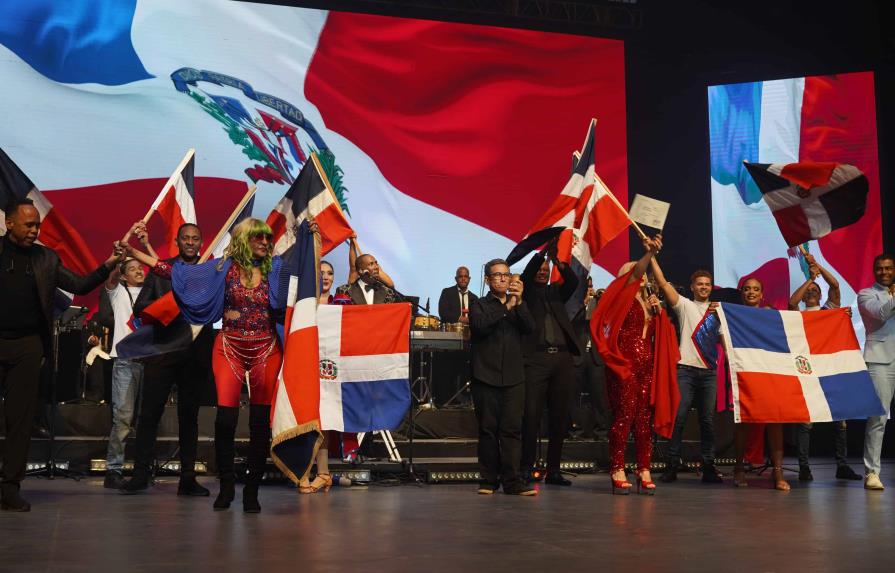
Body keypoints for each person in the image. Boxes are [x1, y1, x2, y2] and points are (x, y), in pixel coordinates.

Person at [124, 218, 290, 512]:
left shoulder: (276, 269)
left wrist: (312, 240)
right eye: (258, 238)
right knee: (225, 421)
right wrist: (137, 254)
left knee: (259, 424)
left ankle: (252, 491)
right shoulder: (222, 269)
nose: (265, 242)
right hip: (229, 349)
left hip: (266, 350)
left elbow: (304, 277)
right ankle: (226, 486)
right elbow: (177, 273)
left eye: (267, 238)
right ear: (243, 240)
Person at [0, 198, 123, 511]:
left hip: (28, 346)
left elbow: (80, 285)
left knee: (20, 420)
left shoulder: (46, 258)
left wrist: (108, 264)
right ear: (9, 224)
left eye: (37, 225)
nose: (33, 230)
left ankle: (10, 488)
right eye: (28, 224)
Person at [118, 222, 213, 497]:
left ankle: (187, 478)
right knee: (149, 415)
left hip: (195, 354)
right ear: (177, 241)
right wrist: (168, 306)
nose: (191, 243)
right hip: (162, 351)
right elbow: (140, 307)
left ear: (202, 242)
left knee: (189, 416)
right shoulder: (161, 271)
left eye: (196, 238)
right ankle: (139, 475)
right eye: (186, 238)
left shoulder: (208, 272)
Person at [593, 235, 664, 495]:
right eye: (635, 273)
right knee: (623, 417)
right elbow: (633, 275)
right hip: (624, 365)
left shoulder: (648, 302)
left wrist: (659, 313)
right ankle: (617, 468)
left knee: (645, 419)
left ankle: (644, 467)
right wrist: (648, 255)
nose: (641, 277)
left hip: (647, 367)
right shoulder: (621, 299)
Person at [787, 255, 861, 482]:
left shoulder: (829, 311)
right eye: (809, 292)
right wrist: (810, 280)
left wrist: (818, 268)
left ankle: (842, 465)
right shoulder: (798, 315)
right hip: (807, 370)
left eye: (814, 291)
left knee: (839, 421)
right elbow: (791, 302)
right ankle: (804, 467)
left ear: (820, 296)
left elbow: (835, 286)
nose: (810, 294)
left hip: (829, 369)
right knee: (805, 422)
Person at [469, 258, 536, 495]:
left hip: (514, 377)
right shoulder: (479, 304)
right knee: (488, 430)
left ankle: (512, 481)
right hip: (485, 375)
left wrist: (519, 302)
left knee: (512, 430)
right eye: (497, 275)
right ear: (488, 280)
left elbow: (530, 328)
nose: (503, 278)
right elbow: (480, 326)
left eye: (506, 275)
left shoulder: (516, 304)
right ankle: (488, 480)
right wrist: (505, 308)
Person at [652, 262, 723, 484]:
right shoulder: (684, 305)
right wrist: (653, 257)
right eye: (700, 284)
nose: (704, 287)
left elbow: (726, 342)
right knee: (679, 418)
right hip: (686, 371)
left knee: (707, 421)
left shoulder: (719, 312)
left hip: (709, 372)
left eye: (707, 284)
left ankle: (709, 466)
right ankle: (671, 465)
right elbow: (663, 283)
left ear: (711, 287)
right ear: (692, 287)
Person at [519, 253, 583, 486]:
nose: (542, 272)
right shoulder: (526, 292)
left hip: (563, 359)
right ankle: (526, 467)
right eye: (540, 269)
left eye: (545, 270)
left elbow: (574, 282)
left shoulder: (556, 292)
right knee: (532, 416)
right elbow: (526, 274)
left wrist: (557, 261)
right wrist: (540, 255)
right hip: (536, 359)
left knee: (559, 417)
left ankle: (553, 470)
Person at [732, 277, 790, 491]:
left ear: (762, 293)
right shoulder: (734, 315)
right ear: (742, 294)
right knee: (743, 421)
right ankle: (738, 468)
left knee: (775, 420)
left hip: (768, 371)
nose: (751, 292)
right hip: (745, 371)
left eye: (756, 289)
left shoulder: (771, 314)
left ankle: (778, 472)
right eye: (747, 289)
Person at [102, 258, 147, 489]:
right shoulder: (118, 292)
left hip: (148, 362)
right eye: (132, 268)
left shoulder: (151, 293)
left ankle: (142, 470)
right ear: (123, 275)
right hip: (126, 362)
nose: (139, 270)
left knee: (145, 420)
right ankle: (113, 470)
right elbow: (110, 279)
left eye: (141, 267)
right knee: (123, 419)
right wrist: (120, 260)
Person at [858, 253, 895, 491]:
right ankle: (872, 472)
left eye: (888, 268)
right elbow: (881, 313)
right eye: (880, 269)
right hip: (881, 362)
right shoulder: (866, 294)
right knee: (878, 419)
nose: (884, 272)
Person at [299, 259, 336, 494]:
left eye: (330, 273)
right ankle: (303, 471)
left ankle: (323, 473)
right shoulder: (304, 304)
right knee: (305, 421)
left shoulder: (341, 302)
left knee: (327, 422)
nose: (326, 277)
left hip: (330, 369)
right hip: (305, 365)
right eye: (321, 272)